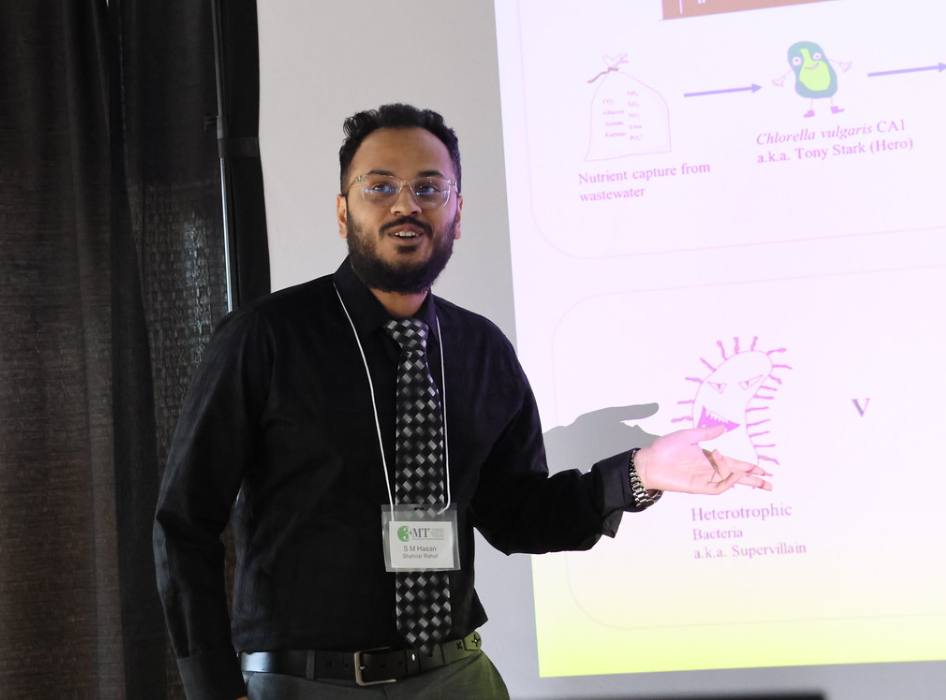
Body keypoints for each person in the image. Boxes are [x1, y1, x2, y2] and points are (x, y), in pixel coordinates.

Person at [153, 103, 771, 700]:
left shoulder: (481, 350)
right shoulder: (265, 336)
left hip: (453, 677)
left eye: (429, 188)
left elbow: (518, 514)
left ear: (457, 212)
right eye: (379, 186)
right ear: (343, 214)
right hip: (302, 684)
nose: (406, 205)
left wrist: (638, 474)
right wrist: (214, 689)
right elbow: (185, 522)